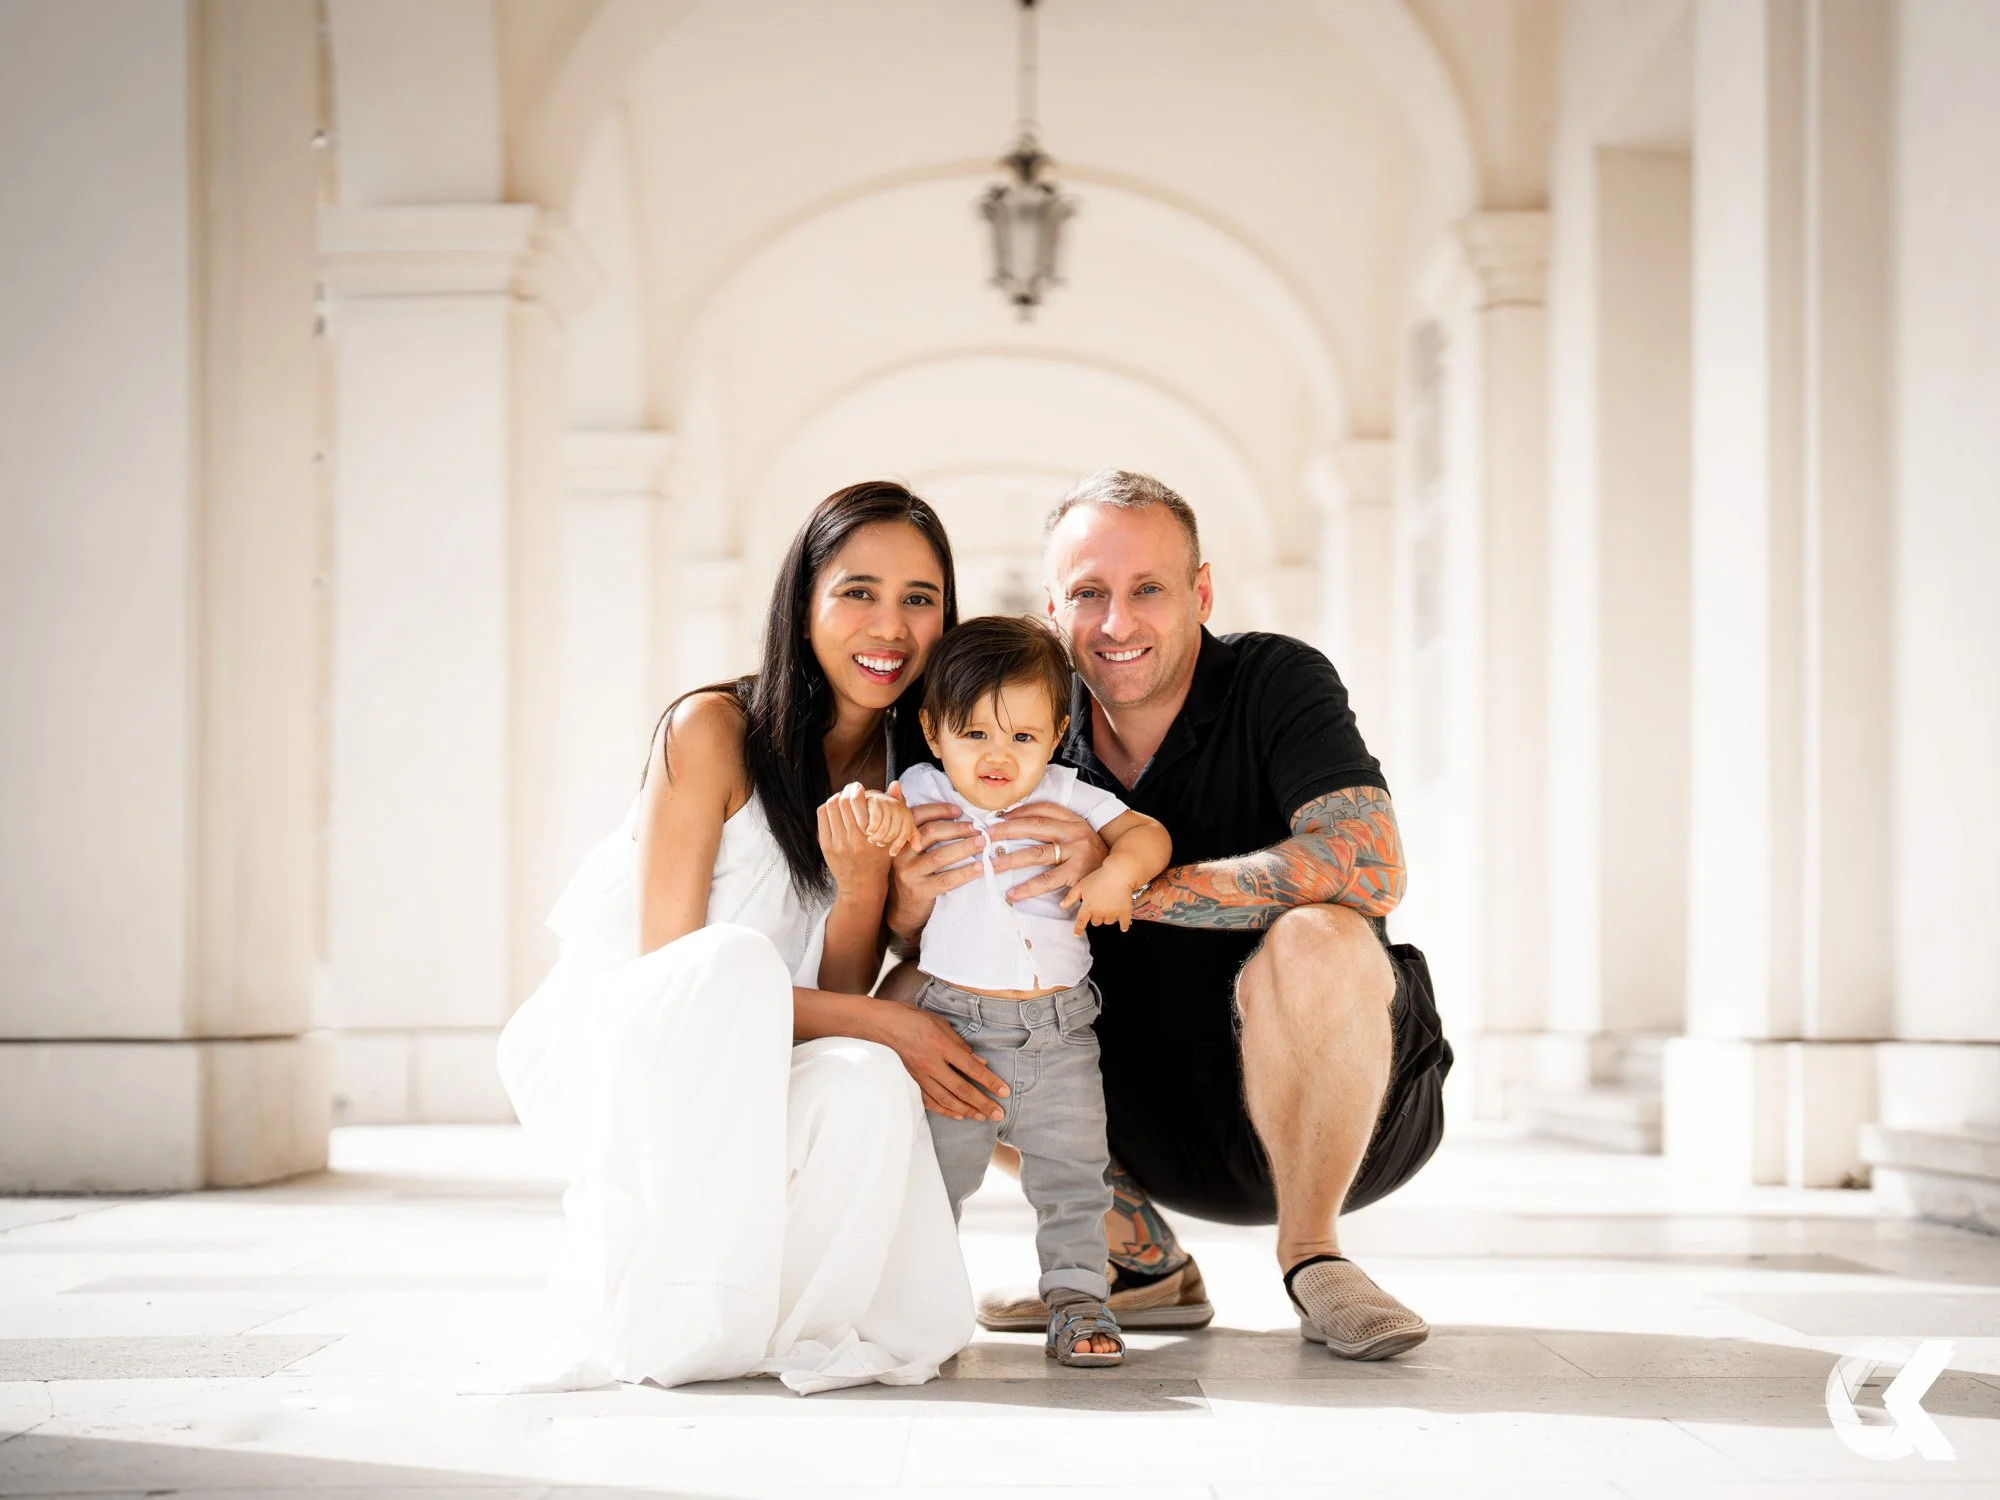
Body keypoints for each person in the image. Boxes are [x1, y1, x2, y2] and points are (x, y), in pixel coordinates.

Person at [886, 470, 1452, 1362]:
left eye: (1147, 588)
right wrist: (915, 889)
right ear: (1052, 610)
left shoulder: (1275, 679)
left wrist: (1126, 879)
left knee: (1321, 932)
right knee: (918, 997)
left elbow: (1372, 863)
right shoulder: (1024, 733)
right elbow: (926, 931)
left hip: (1341, 1108)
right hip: (1136, 1112)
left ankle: (1313, 1258)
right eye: (1089, 595)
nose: (1117, 623)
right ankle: (1139, 1259)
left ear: (1201, 592)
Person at [494, 481, 1008, 1394]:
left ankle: (780, 1318)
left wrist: (859, 890)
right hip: (644, 1048)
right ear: (803, 602)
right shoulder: (713, 730)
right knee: (742, 967)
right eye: (858, 592)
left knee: (864, 1080)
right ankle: (685, 1309)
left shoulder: (915, 778)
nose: (889, 626)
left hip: (772, 1051)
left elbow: (840, 981)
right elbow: (676, 979)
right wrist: (891, 1020)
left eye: (918, 599)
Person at [860, 616, 1172, 1367]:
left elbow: (1150, 836)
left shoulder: (1069, 793)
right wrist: (878, 819)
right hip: (956, 1027)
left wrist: (1112, 875)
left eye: (1024, 738)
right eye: (975, 734)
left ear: (1057, 734)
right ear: (934, 731)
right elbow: (885, 827)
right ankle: (916, 1305)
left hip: (1061, 1032)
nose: (999, 756)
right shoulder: (921, 788)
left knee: (1073, 1178)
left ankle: (1076, 1301)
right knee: (938, 1178)